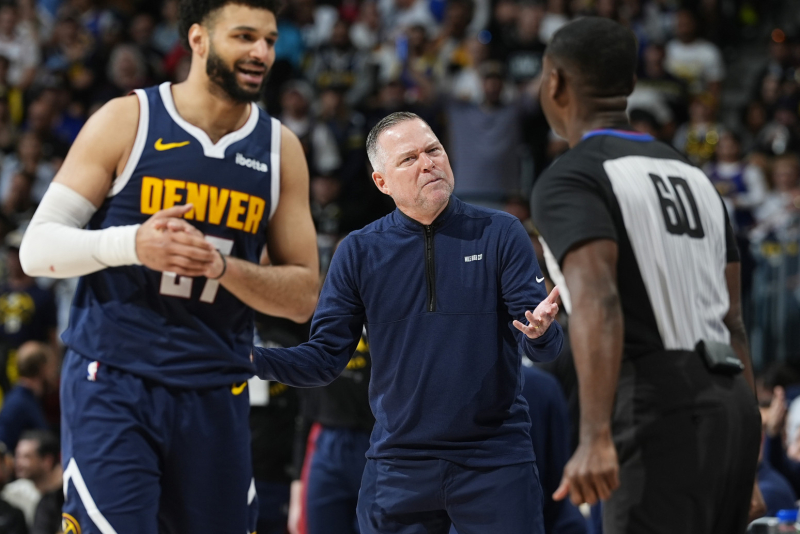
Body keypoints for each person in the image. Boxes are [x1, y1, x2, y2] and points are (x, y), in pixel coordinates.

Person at [17, 0, 320, 532]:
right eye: (244, 36)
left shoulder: (280, 149)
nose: (261, 52)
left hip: (216, 385)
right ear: (198, 39)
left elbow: (304, 296)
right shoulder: (128, 119)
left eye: (270, 40)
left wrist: (224, 268)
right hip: (116, 379)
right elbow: (36, 248)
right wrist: (134, 244)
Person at [253, 111, 564, 534]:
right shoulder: (358, 252)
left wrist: (542, 333)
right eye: (409, 158)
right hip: (398, 462)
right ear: (382, 182)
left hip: (494, 457)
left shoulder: (501, 231)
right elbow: (324, 359)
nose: (428, 163)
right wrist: (251, 359)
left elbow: (541, 341)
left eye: (434, 150)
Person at [530, 17, 762, 534]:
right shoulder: (694, 175)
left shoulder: (571, 177)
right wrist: (749, 460)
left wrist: (594, 435)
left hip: (656, 404)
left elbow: (599, 299)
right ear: (631, 84)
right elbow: (734, 322)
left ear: (556, 83)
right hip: (732, 408)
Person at [0, 342, 54, 452]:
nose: (53, 372)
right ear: (42, 368)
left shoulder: (30, 399)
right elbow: (4, 446)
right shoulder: (17, 403)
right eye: (50, 367)